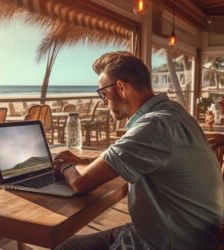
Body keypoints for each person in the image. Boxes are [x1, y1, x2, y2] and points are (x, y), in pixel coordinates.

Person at [54, 51, 224, 249]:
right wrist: (83, 164)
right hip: (185, 231)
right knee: (66, 246)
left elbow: (82, 182)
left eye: (103, 93)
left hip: (165, 242)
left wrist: (64, 165)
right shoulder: (174, 112)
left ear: (120, 87)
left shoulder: (155, 125)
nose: (103, 101)